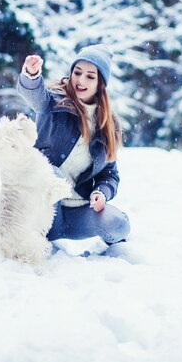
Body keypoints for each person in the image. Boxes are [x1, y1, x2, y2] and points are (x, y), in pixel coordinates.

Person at [16, 44, 130, 249]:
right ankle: (37, 232)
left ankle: (116, 244)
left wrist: (101, 193)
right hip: (47, 213)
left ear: (100, 84)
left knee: (118, 225)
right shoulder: (53, 102)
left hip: (79, 212)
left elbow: (110, 174)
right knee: (51, 172)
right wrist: (32, 75)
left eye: (90, 76)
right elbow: (35, 94)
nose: (81, 80)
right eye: (77, 72)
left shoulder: (108, 125)